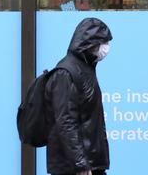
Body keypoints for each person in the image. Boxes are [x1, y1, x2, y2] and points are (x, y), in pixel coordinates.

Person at [45, 17, 112, 175]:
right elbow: (66, 121)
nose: (106, 48)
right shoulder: (65, 73)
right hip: (74, 167)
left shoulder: (85, 68)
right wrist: (80, 163)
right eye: (103, 42)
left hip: (91, 163)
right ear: (90, 43)